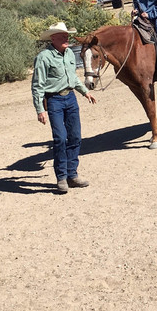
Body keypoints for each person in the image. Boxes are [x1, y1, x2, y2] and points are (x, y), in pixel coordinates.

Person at [31, 22, 96, 193]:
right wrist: (40, 109)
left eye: (66, 35)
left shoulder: (68, 54)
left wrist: (84, 92)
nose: (66, 38)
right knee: (60, 138)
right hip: (54, 101)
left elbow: (73, 77)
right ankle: (61, 177)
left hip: (71, 98)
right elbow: (38, 85)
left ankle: (72, 175)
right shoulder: (44, 57)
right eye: (62, 35)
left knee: (75, 137)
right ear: (53, 38)